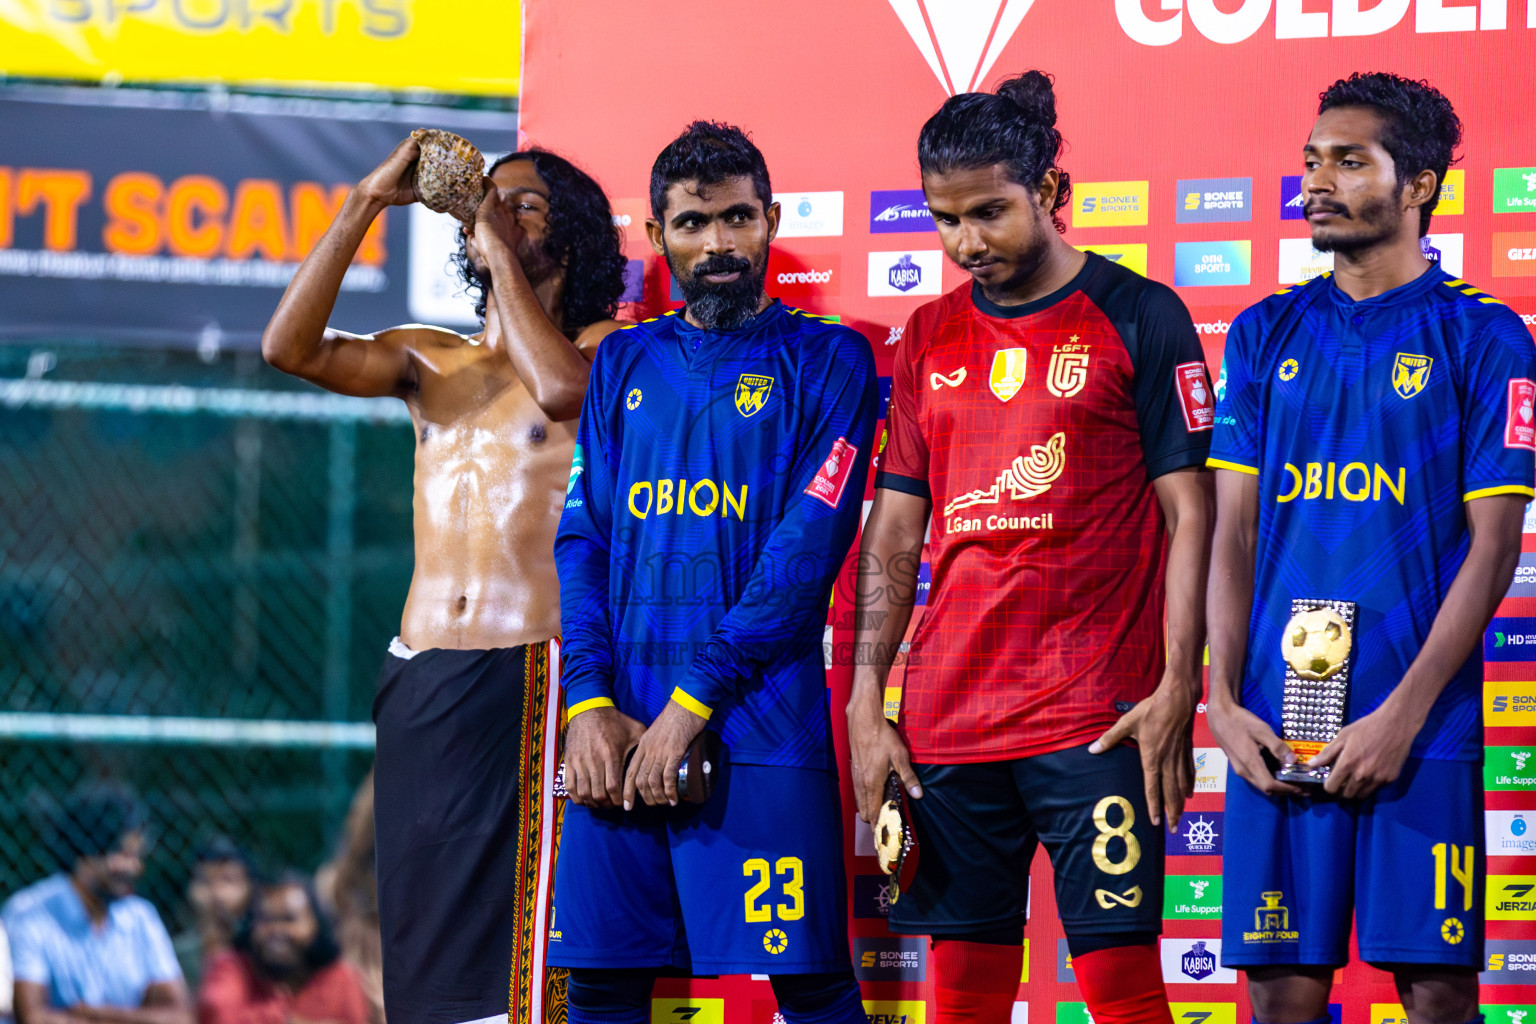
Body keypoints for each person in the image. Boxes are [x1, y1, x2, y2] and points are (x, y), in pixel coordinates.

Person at [847, 71, 1215, 1024]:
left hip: (1098, 717)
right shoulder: (928, 333)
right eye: (945, 219)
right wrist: (865, 701)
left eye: (991, 213)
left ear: (1052, 191)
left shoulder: (1141, 313)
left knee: (1124, 991)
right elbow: (895, 525)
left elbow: (1193, 515)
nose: (967, 242)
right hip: (948, 719)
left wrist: (1181, 684)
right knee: (960, 998)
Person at [261, 138, 628, 1024]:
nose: (495, 211)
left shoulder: (608, 351)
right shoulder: (430, 361)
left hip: (529, 676)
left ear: (568, 237)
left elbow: (562, 394)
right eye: (485, 202)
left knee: (525, 958)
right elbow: (288, 347)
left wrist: (495, 240)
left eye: (524, 204)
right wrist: (364, 202)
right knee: (422, 947)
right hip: (422, 674)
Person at [1205, 72, 1533, 1024]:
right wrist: (1221, 700)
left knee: (1436, 998)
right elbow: (1233, 534)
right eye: (1312, 160)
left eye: (1350, 161)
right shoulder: (1265, 334)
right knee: (1281, 1001)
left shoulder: (1484, 335)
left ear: (1419, 184)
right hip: (1276, 716)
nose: (1318, 181)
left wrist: (1402, 713)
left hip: (1422, 725)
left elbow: (1495, 546)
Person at [552, 120, 878, 1024]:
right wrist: (586, 704)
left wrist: (691, 705)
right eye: (693, 225)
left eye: (738, 219)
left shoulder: (832, 359)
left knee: (812, 988)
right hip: (617, 720)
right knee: (602, 986)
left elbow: (802, 559)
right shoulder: (624, 359)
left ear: (770, 221)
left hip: (761, 718)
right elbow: (583, 541)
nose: (719, 245)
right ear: (657, 238)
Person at [3, 784, 192, 1024]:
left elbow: (179, 1018)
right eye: (124, 855)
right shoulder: (30, 912)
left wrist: (90, 1013)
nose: (135, 868)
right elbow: (34, 1018)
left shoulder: (140, 915)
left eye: (137, 857)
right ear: (88, 853)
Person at [197, 873, 369, 1024]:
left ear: (315, 924)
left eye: (289, 919)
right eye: (265, 920)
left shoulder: (339, 976)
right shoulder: (232, 967)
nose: (276, 930)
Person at [172, 839, 252, 990]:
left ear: (249, 888)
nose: (217, 893)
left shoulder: (259, 953)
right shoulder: (174, 956)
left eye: (228, 880)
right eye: (205, 881)